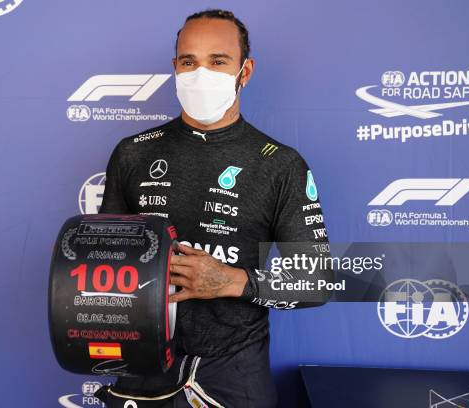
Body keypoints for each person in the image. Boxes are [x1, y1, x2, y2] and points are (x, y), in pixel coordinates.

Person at [97, 8, 333, 408]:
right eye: (189, 61)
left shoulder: (279, 164)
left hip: (234, 370)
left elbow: (318, 281)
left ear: (246, 70)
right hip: (142, 363)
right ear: (175, 67)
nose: (200, 74)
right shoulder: (133, 154)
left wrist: (229, 281)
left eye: (218, 61)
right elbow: (103, 260)